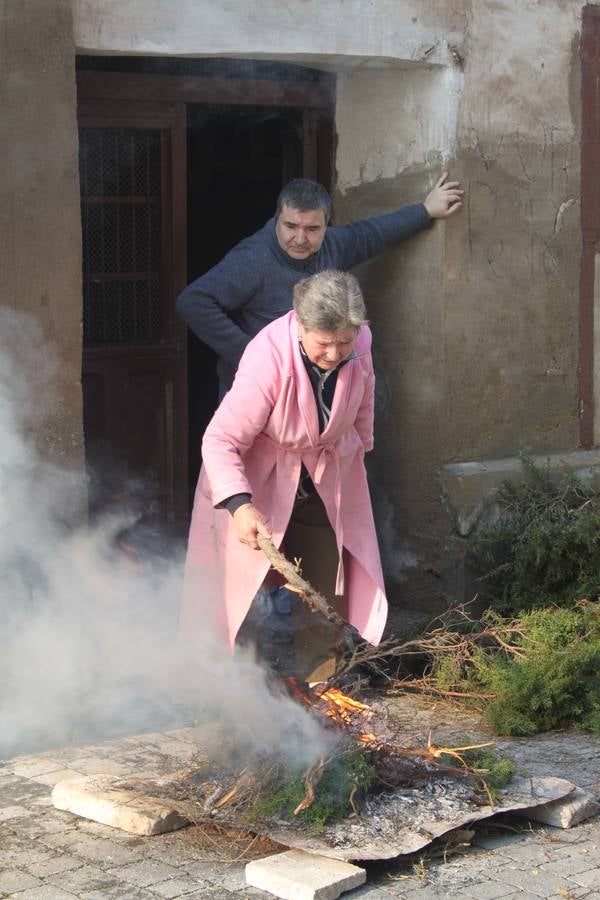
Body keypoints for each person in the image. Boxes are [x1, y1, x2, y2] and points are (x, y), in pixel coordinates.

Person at [179, 270, 386, 683]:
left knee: (325, 591)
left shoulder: (358, 343)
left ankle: (322, 687)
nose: (335, 353)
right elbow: (219, 440)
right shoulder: (267, 358)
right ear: (301, 325)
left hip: (325, 477)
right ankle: (242, 696)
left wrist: (361, 446)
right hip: (256, 481)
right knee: (243, 594)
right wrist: (239, 506)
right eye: (324, 343)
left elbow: (364, 396)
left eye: (344, 342)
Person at [177, 173, 463, 390]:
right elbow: (194, 301)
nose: (300, 239)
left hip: (311, 388)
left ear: (326, 225)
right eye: (291, 226)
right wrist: (250, 353)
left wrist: (425, 211)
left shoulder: (332, 245)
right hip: (256, 387)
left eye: (312, 229)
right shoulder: (252, 259)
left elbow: (371, 235)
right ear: (277, 219)